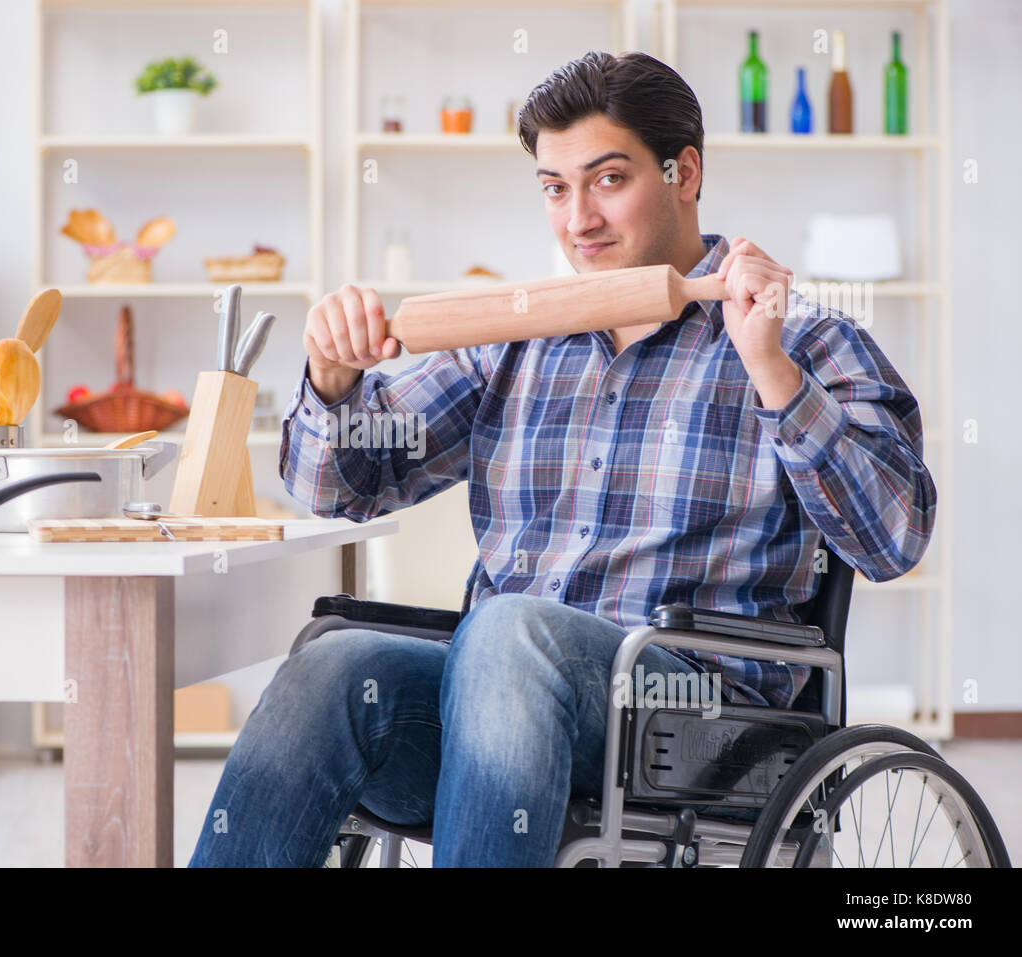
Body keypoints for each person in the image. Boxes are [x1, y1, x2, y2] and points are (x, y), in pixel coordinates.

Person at [189, 50, 935, 867]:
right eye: (554, 187)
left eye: (607, 179)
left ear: (684, 171)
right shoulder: (521, 337)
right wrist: (333, 381)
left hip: (698, 723)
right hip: (494, 718)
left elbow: (893, 537)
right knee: (332, 667)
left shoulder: (808, 341)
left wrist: (775, 376)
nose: (578, 218)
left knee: (513, 633)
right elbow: (339, 489)